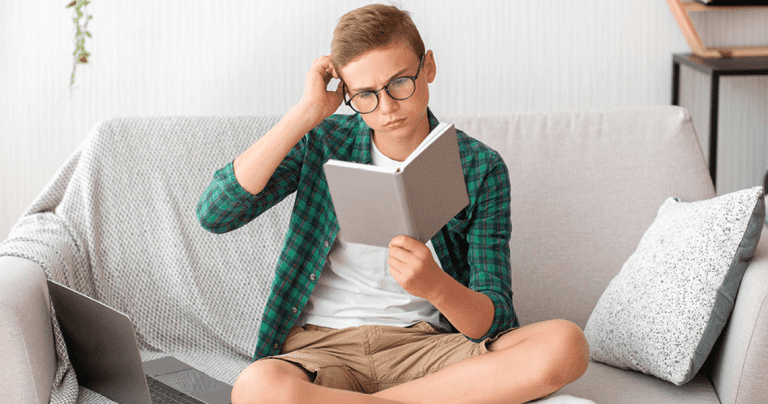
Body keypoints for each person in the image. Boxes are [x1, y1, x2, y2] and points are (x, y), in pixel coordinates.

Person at [196, 4, 589, 404]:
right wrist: (305, 113)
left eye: (400, 82)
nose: (386, 108)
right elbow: (215, 214)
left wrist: (436, 287)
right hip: (324, 352)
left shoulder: (477, 166)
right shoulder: (325, 142)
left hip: (428, 351)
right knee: (257, 387)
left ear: (428, 67)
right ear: (348, 94)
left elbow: (493, 321)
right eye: (365, 95)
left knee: (565, 343)